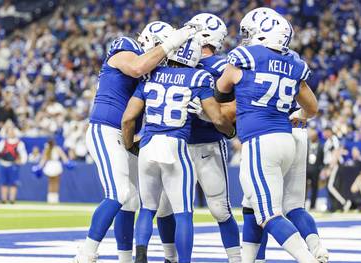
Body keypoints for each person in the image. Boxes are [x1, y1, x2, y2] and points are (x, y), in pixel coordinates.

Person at [73, 21, 200, 263]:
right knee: (119, 192)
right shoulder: (127, 46)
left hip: (129, 135)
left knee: (131, 201)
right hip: (106, 129)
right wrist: (172, 42)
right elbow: (137, 67)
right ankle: (87, 253)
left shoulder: (159, 69)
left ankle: (125, 258)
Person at [215, 8, 321, 263]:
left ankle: (307, 259)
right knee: (252, 205)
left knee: (268, 214)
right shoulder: (294, 62)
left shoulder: (245, 56)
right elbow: (313, 108)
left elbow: (220, 91)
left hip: (260, 142)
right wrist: (298, 115)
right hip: (286, 139)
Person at [122, 35, 235, 263]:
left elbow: (128, 119)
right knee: (183, 213)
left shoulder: (151, 74)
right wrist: (230, 131)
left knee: (147, 209)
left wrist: (130, 145)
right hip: (176, 145)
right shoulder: (198, 76)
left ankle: (140, 256)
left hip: (148, 144)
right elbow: (217, 117)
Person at [153, 13, 241, 263]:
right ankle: (170, 259)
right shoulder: (173, 59)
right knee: (164, 208)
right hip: (175, 144)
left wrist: (210, 114)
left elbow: (236, 107)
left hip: (207, 142)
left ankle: (236, 259)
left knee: (219, 208)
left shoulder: (222, 67)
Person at [0, 127, 27, 204]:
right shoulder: (3, 142)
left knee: (13, 183)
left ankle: (12, 199)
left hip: (13, 164)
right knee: (3, 182)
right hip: (3, 163)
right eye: (9, 132)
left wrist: (22, 161)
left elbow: (23, 154)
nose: (11, 133)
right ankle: (4, 199)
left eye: (12, 131)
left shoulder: (19, 143)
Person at [39, 139, 69, 204]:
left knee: (51, 183)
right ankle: (54, 199)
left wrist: (40, 166)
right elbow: (64, 157)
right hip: (54, 165)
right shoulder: (54, 149)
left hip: (51, 165)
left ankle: (50, 199)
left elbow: (43, 160)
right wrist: (67, 162)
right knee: (56, 182)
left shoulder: (48, 149)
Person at [306, 128, 323, 210]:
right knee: (303, 188)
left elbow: (322, 160)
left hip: (315, 170)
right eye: (311, 136)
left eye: (314, 136)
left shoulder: (320, 146)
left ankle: (313, 206)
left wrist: (320, 169)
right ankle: (302, 205)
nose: (312, 137)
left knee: (314, 188)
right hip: (306, 169)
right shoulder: (306, 144)